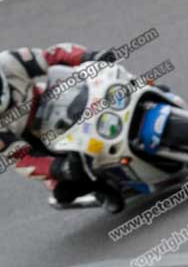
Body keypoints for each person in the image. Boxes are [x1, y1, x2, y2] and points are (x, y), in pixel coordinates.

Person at [0, 43, 122, 211]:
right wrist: (58, 168)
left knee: (109, 85)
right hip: (38, 141)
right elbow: (22, 159)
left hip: (55, 99)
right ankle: (104, 190)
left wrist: (88, 56)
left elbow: (52, 56)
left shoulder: (8, 61)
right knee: (64, 189)